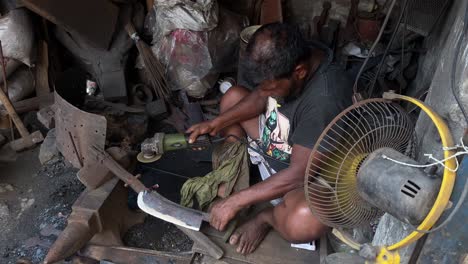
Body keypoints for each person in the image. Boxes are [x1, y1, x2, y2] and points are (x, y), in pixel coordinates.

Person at [187, 23, 353, 255]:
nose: (265, 93)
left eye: (272, 88)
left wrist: (236, 201)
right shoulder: (292, 57)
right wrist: (216, 123)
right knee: (232, 98)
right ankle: (236, 168)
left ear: (300, 71)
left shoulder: (325, 99)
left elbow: (298, 174)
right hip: (273, 142)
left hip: (297, 177)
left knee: (306, 221)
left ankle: (266, 217)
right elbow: (258, 97)